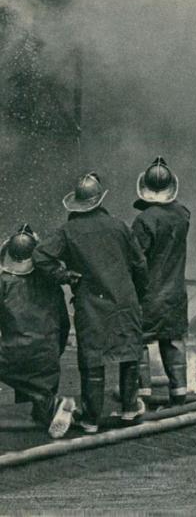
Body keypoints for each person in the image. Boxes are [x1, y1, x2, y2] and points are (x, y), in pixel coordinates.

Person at [34, 172, 149, 432]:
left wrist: (64, 275)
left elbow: (40, 256)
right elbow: (140, 264)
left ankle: (90, 419)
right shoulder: (119, 226)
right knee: (129, 352)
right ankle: (130, 409)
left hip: (91, 303)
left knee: (91, 359)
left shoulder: (67, 231)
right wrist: (139, 294)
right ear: (99, 201)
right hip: (123, 298)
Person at [0, 227, 74, 439]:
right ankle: (48, 405)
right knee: (42, 417)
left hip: (13, 354)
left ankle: (49, 403)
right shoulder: (51, 284)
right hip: (47, 356)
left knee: (19, 366)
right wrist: (53, 353)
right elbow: (64, 325)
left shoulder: (3, 283)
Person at [131, 157, 192, 406]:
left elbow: (136, 260)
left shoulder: (144, 221)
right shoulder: (183, 214)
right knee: (174, 339)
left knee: (140, 340)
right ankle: (179, 392)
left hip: (149, 293)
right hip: (176, 291)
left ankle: (141, 395)